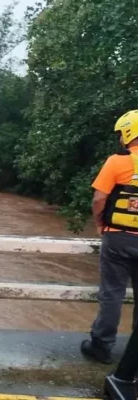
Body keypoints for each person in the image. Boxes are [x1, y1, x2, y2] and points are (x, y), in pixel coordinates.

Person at [81, 110, 138, 364]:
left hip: (117, 238)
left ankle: (101, 346)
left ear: (128, 133)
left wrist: (99, 223)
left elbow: (99, 198)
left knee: (112, 294)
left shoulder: (117, 161)